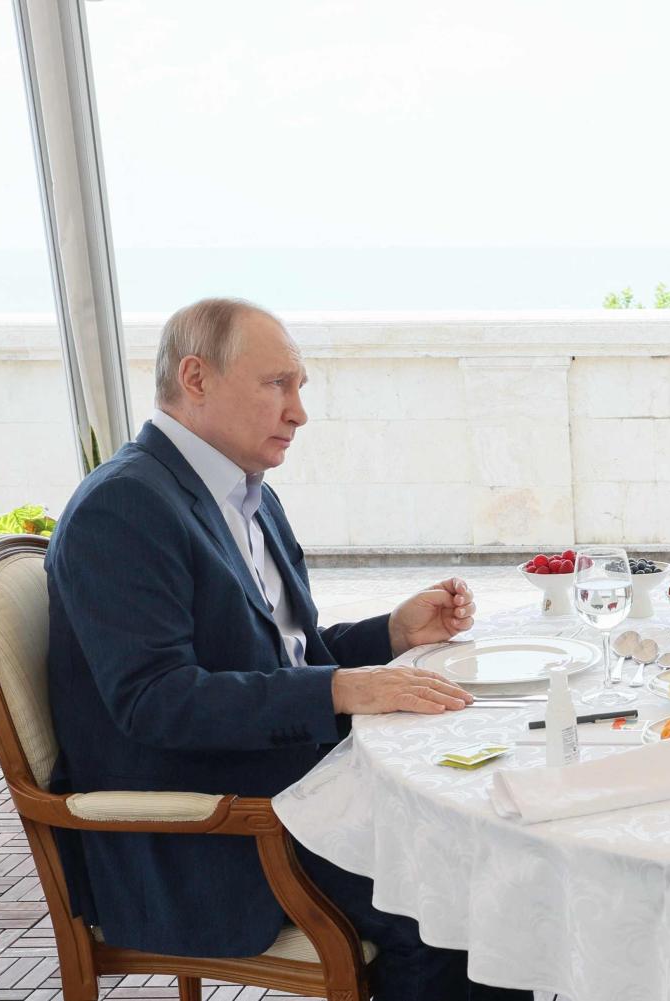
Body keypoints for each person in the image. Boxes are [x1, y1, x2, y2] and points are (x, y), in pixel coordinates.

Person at [45, 297, 532, 1000]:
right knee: (459, 905)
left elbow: (281, 659)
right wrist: (343, 689)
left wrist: (393, 634)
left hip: (292, 790)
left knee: (496, 844)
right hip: (215, 836)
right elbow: (155, 700)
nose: (299, 411)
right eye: (278, 384)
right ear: (196, 378)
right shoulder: (123, 507)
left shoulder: (246, 495)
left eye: (299, 386)